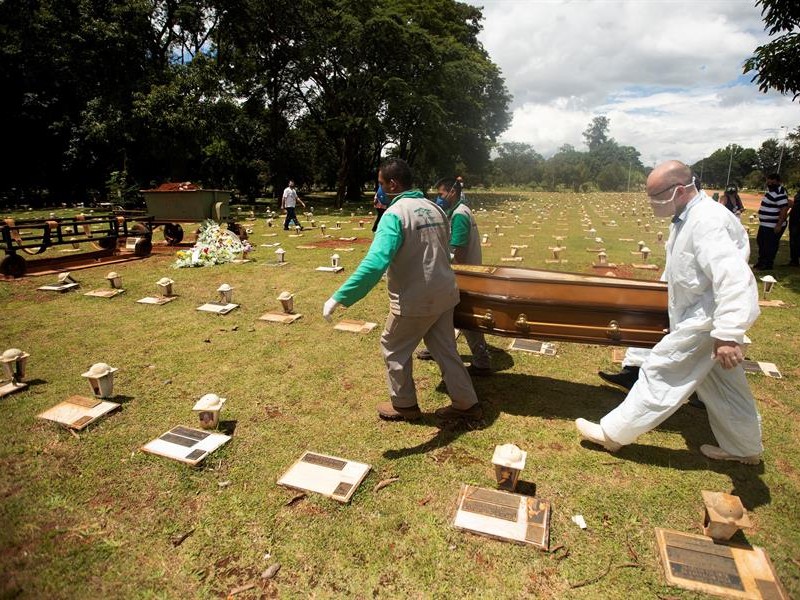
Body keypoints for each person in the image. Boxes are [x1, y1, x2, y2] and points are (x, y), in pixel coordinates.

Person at [575, 160, 763, 464]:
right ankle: (745, 447)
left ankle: (613, 434)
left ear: (678, 190)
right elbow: (683, 269)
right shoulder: (688, 218)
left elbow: (734, 277)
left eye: (655, 196)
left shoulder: (706, 222)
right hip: (699, 315)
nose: (651, 203)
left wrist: (728, 333)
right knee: (725, 386)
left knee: (661, 369)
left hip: (706, 320)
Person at [322, 158, 481, 422]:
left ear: (393, 184)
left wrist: (340, 296)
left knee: (393, 346)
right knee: (446, 350)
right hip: (445, 293)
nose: (380, 189)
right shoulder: (434, 208)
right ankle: (467, 404)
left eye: (381, 184)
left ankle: (404, 404)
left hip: (415, 299)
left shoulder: (394, 215)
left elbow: (375, 263)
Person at [416, 177, 492, 376]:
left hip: (464, 274)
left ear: (452, 192)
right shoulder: (461, 210)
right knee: (446, 315)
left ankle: (482, 360)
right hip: (466, 272)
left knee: (467, 319)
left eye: (441, 194)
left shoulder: (459, 215)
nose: (438, 198)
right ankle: (439, 350)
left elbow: (456, 251)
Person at [753, 174, 789, 270]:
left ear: (778, 182)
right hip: (765, 224)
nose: (769, 184)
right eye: (768, 182)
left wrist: (779, 225)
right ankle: (761, 261)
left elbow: (784, 209)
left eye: (772, 182)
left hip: (773, 225)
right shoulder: (771, 192)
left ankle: (767, 264)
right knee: (761, 242)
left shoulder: (779, 193)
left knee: (769, 245)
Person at [787, 190, 799, 267]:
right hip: (794, 221)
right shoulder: (798, 194)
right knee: (793, 241)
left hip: (797, 221)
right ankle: (794, 261)